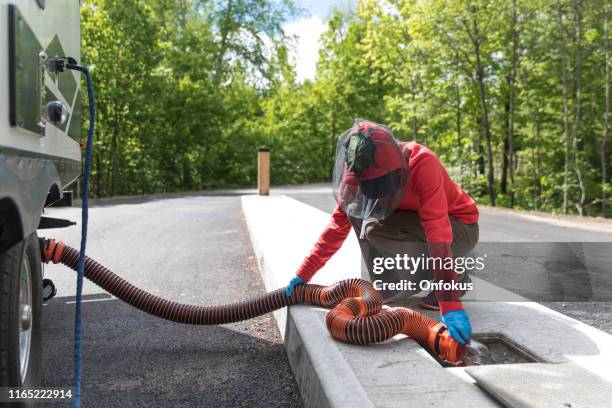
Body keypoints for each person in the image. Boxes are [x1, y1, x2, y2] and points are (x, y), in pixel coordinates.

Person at [285, 119, 479, 345]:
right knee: (361, 216)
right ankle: (391, 282)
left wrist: (450, 304)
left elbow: (438, 232)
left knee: (379, 228)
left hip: (459, 227)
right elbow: (337, 227)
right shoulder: (356, 170)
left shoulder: (423, 163)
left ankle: (454, 275)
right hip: (412, 222)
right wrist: (304, 274)